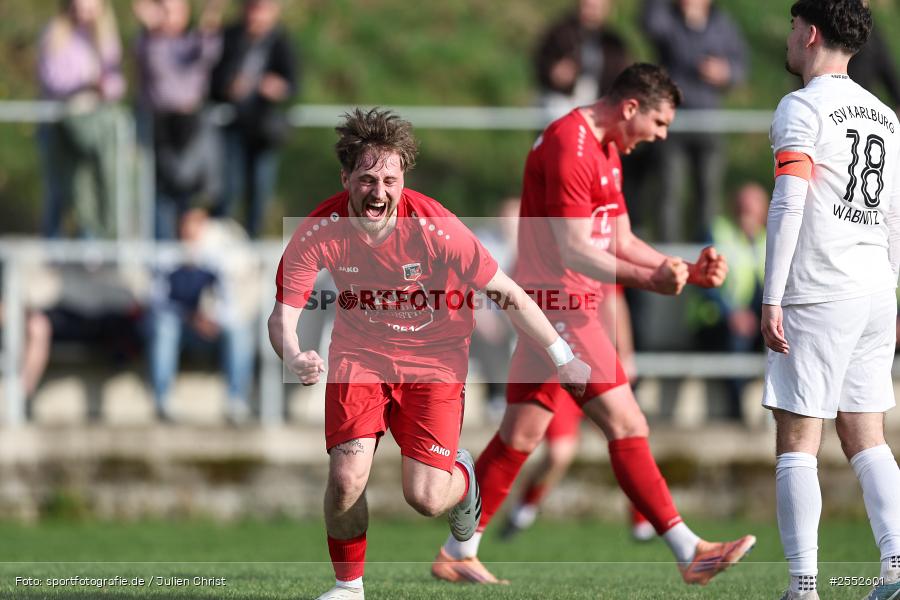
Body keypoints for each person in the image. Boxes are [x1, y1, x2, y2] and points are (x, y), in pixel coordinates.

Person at [430, 63, 755, 586]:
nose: (662, 136)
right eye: (660, 122)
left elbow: (620, 240)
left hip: (555, 304)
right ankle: (689, 549)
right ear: (631, 108)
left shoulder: (606, 148)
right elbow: (575, 249)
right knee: (627, 424)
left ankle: (458, 550)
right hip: (561, 308)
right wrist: (651, 282)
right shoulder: (569, 144)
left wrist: (686, 272)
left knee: (520, 435)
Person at [268, 108, 590, 600]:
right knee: (346, 478)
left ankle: (463, 479)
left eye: (390, 180)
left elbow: (508, 293)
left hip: (435, 358)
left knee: (424, 498)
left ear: (404, 180)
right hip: (362, 355)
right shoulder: (320, 229)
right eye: (367, 179)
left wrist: (562, 355)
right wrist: (293, 354)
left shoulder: (437, 227)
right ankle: (348, 587)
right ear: (345, 178)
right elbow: (282, 315)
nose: (379, 192)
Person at [761, 2, 900, 599]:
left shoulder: (802, 106)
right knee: (868, 436)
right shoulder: (885, 116)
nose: (790, 39)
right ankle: (896, 566)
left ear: (810, 32)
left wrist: (772, 295)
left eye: (794, 29)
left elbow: (790, 202)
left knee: (798, 442)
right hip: (874, 289)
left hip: (819, 289)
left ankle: (804, 588)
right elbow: (893, 213)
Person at [500, 285, 655, 543]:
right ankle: (522, 510)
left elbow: (613, 302)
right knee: (560, 453)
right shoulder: (541, 258)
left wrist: (625, 355)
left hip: (597, 365)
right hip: (559, 368)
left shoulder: (595, 256)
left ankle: (642, 522)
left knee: (629, 438)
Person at [641, 0, 748, 242]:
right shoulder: (667, 18)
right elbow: (650, 24)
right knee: (669, 193)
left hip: (709, 121)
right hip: (673, 121)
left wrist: (725, 72)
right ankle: (668, 259)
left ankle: (707, 263)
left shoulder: (722, 23)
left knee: (709, 195)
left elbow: (741, 64)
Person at [146, 208, 256, 424]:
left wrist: (212, 318)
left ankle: (235, 401)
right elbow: (156, 303)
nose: (190, 231)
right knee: (164, 328)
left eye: (196, 225)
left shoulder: (217, 260)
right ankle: (163, 400)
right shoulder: (166, 258)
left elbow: (229, 305)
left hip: (208, 327)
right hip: (181, 326)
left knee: (239, 331)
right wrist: (191, 318)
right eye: (186, 224)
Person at [134, 0, 226, 239]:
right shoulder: (148, 42)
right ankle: (163, 256)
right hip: (160, 126)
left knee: (190, 199)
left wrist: (212, 15)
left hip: (190, 127)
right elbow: (156, 67)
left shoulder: (191, 42)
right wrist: (153, 31)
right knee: (161, 198)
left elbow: (208, 51)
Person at [36, 0, 126, 239]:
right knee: (58, 190)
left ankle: (91, 244)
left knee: (89, 188)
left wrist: (104, 86)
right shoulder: (55, 33)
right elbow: (52, 78)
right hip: (59, 123)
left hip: (93, 126)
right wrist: (85, 82)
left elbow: (117, 82)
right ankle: (52, 246)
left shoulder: (104, 37)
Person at [210, 0, 298, 238]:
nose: (255, 15)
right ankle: (219, 244)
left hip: (263, 131)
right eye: (252, 7)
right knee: (229, 189)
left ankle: (252, 243)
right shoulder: (229, 37)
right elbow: (212, 78)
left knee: (260, 192)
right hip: (232, 127)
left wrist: (276, 87)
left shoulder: (281, 41)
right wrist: (230, 87)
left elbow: (293, 84)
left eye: (262, 8)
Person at [688, 182, 767, 420]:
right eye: (743, 207)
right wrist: (731, 313)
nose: (747, 213)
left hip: (756, 321)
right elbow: (704, 282)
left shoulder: (768, 238)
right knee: (737, 336)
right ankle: (736, 414)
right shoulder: (717, 231)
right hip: (715, 322)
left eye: (752, 208)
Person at [534, 0, 630, 118]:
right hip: (563, 99)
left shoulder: (613, 42)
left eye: (597, 8)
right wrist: (554, 73)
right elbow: (541, 63)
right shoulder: (560, 33)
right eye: (588, 7)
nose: (592, 13)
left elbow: (624, 73)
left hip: (600, 101)